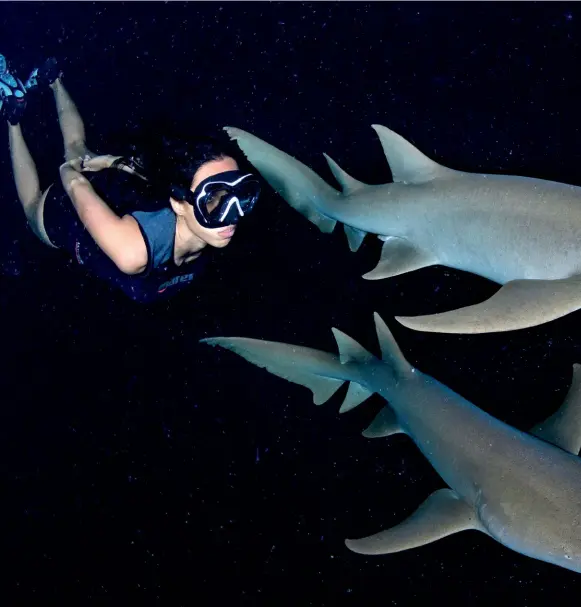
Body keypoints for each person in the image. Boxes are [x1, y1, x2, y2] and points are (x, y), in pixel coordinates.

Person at [1, 56, 261, 303]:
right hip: (69, 214)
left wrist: (103, 161)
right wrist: (72, 169)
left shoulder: (193, 218)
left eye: (242, 194)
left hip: (112, 191)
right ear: (178, 203)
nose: (234, 214)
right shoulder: (132, 253)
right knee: (32, 206)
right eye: (213, 199)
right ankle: (13, 119)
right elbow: (73, 181)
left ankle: (54, 79)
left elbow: (147, 174)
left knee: (77, 147)